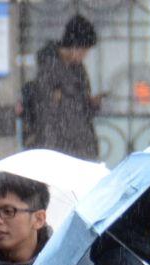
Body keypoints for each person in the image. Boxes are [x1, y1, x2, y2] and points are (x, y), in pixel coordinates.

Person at [22, 14, 102, 159]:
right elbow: (45, 115)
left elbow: (82, 110)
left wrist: (92, 103)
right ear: (74, 46)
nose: (84, 56)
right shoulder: (48, 69)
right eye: (84, 51)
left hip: (79, 146)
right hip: (59, 150)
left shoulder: (78, 70)